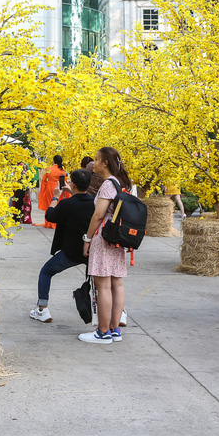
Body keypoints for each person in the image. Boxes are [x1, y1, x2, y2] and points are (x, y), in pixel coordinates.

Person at [79, 147, 132, 344]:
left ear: (105, 163)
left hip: (104, 236)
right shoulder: (121, 182)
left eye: (97, 159)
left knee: (103, 286)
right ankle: (114, 329)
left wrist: (87, 239)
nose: (94, 162)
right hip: (117, 237)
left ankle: (102, 332)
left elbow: (98, 215)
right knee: (117, 283)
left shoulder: (108, 184)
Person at [30, 169, 95, 323]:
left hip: (71, 252)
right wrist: (72, 192)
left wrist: (55, 197)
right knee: (103, 283)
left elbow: (50, 215)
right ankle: (118, 312)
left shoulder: (66, 204)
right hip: (91, 251)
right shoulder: (95, 202)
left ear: (73, 184)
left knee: (46, 272)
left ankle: (42, 309)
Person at [39, 156, 70, 229]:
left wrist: (45, 187)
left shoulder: (49, 169)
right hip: (59, 187)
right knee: (58, 203)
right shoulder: (62, 170)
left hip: (49, 187)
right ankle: (56, 222)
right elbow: (65, 181)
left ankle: (49, 223)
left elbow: (43, 180)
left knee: (49, 203)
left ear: (53, 161)